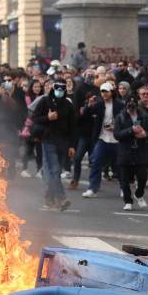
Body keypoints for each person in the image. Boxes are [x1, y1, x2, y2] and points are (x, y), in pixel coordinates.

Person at [30, 79, 75, 210]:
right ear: (53, 89)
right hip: (48, 141)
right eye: (57, 89)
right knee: (55, 170)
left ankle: (49, 198)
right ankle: (61, 198)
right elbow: (34, 118)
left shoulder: (68, 105)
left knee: (55, 172)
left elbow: (73, 127)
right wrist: (47, 118)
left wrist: (72, 145)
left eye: (62, 89)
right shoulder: (45, 101)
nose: (59, 91)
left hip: (63, 143)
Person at [83, 82, 123, 198]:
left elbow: (125, 120)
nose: (104, 94)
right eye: (102, 91)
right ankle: (92, 188)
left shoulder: (120, 105)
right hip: (102, 138)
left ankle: (124, 189)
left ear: (112, 92)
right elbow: (85, 115)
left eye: (106, 91)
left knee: (120, 166)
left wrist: (116, 127)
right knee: (96, 163)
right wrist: (89, 105)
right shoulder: (99, 105)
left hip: (116, 140)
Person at [115, 96, 148, 210]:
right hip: (125, 152)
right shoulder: (120, 117)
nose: (131, 108)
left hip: (140, 152)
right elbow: (117, 135)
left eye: (133, 105)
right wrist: (131, 130)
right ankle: (127, 201)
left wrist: (145, 134)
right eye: (129, 105)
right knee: (124, 180)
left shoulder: (144, 116)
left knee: (142, 177)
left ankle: (139, 194)